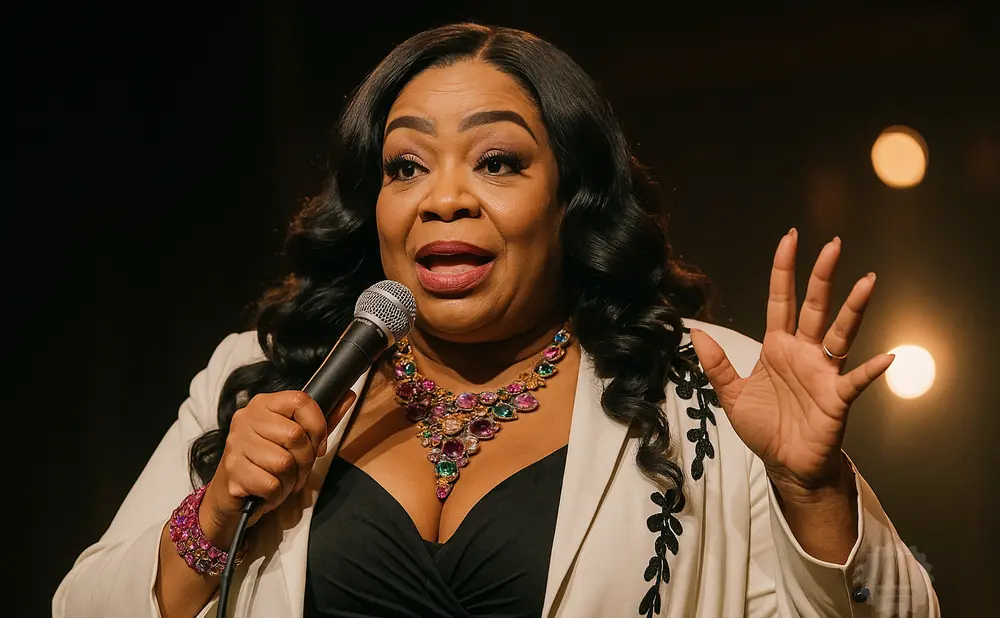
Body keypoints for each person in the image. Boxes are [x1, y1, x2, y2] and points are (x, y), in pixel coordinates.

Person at [54, 23, 939, 618]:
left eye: (498, 161)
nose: (443, 198)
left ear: (571, 200)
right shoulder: (269, 372)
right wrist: (213, 513)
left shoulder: (706, 391)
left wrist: (814, 494)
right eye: (406, 166)